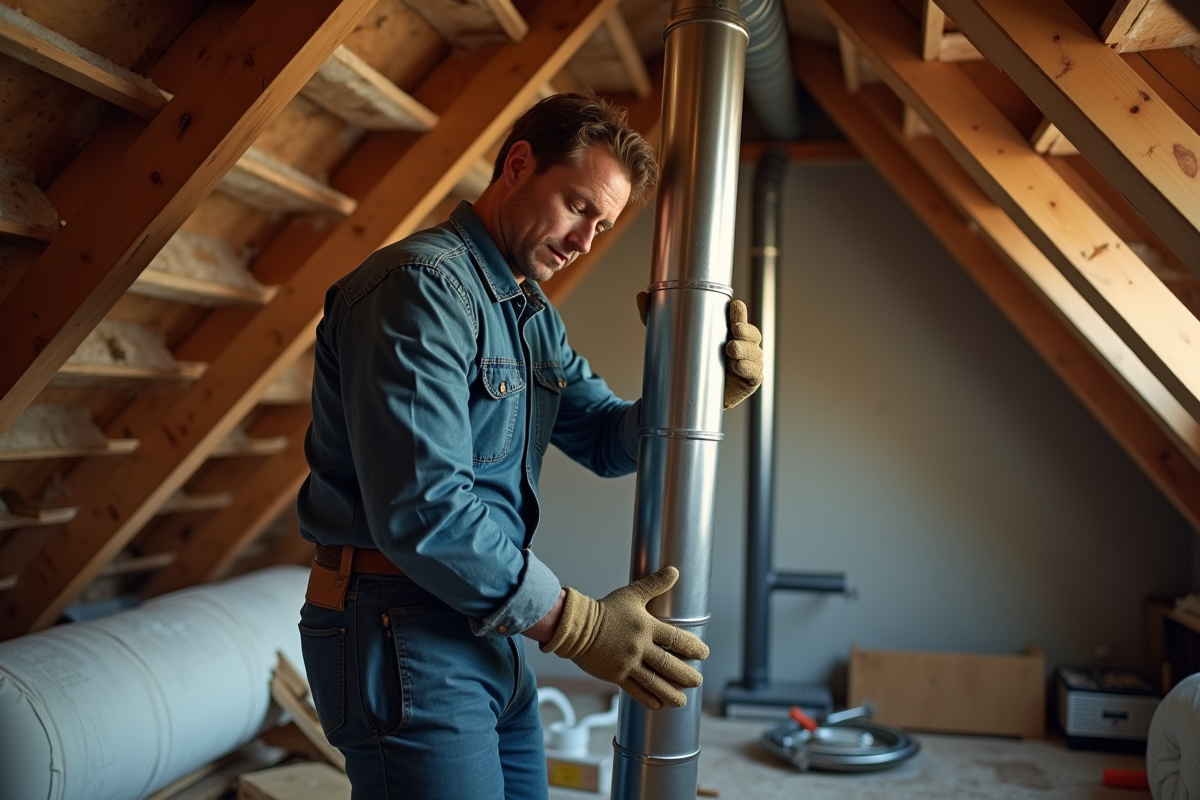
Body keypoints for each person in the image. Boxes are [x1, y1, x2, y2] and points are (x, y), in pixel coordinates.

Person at [296, 93, 764, 800]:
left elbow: (604, 438)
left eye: (601, 226)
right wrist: (581, 627)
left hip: (492, 622)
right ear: (518, 164)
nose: (584, 241)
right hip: (401, 624)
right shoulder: (420, 288)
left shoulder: (529, 315)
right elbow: (425, 512)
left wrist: (697, 395)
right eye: (578, 207)